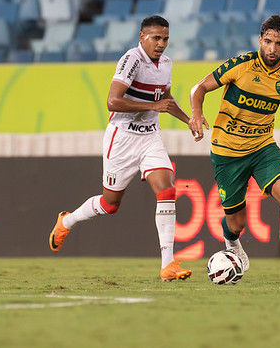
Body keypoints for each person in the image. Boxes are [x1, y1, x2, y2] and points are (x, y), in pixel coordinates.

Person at [188, 15, 280, 285]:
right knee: (236, 224)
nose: (272, 48)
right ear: (260, 40)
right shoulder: (241, 66)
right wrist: (196, 115)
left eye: (278, 43)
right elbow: (199, 88)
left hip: (262, 149)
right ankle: (231, 241)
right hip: (227, 152)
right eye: (267, 41)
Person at [48, 15, 193, 282]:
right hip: (122, 139)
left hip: (150, 137)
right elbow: (113, 101)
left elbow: (166, 99)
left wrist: (189, 120)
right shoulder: (131, 59)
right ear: (142, 37)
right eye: (156, 38)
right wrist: (151, 106)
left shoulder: (167, 64)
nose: (161, 44)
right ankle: (66, 221)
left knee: (167, 188)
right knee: (109, 204)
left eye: (165, 39)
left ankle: (168, 263)